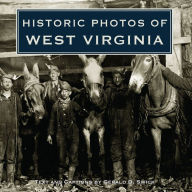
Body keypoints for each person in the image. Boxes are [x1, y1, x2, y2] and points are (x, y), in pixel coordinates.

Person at [47, 81, 87, 190]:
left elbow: (83, 114)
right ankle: (60, 180)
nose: (64, 93)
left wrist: (85, 107)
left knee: (73, 155)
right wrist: (50, 134)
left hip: (73, 133)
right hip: (60, 134)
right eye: (62, 91)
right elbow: (51, 121)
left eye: (66, 91)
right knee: (61, 156)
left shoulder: (74, 104)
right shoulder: (56, 105)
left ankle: (69, 181)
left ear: (70, 93)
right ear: (60, 93)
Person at [105, 69, 139, 189]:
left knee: (129, 152)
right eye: (114, 77)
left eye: (119, 77)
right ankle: (118, 179)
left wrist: (137, 128)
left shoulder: (129, 91)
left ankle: (131, 180)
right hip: (114, 128)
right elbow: (103, 106)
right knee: (115, 153)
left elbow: (135, 109)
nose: (117, 79)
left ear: (123, 78)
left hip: (127, 127)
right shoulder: (109, 91)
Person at [0, 74, 22, 187]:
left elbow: (20, 113)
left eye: (9, 82)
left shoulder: (16, 97)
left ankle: (10, 181)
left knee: (11, 157)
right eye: (5, 81)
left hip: (13, 132)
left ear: (12, 84)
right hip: (0, 132)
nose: (7, 83)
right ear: (1, 83)